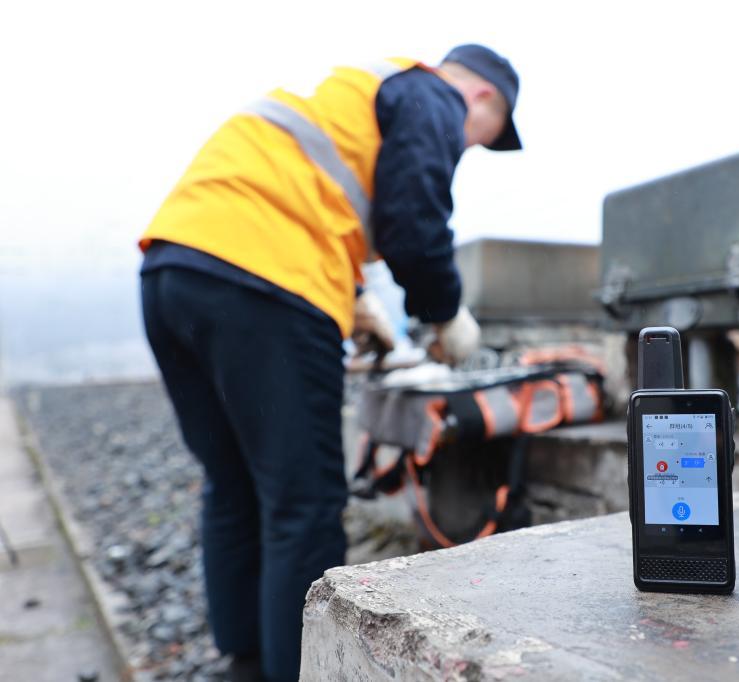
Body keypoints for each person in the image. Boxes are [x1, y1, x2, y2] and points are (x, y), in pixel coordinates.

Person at [137, 44, 521, 682]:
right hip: (268, 280)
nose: (472, 144)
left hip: (173, 269)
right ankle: (297, 669)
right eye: (485, 136)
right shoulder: (432, 94)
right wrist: (444, 311)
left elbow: (314, 197)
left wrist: (353, 297)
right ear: (483, 97)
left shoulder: (351, 97)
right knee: (304, 502)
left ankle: (247, 662)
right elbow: (414, 218)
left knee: (232, 484)